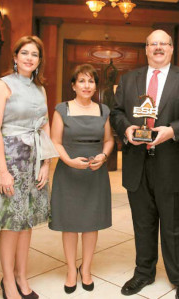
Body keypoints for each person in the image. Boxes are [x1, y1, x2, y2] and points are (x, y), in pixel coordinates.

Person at [110, 29, 179, 299]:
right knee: (143, 222)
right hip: (137, 162)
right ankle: (143, 272)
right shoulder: (129, 80)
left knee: (174, 225)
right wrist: (127, 130)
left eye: (164, 43)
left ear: (172, 48)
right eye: (154, 44)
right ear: (146, 49)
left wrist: (172, 131)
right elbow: (116, 113)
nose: (159, 48)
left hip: (172, 161)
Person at [0, 35, 58, 299]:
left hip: (34, 160)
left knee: (26, 223)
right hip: (11, 159)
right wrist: (2, 170)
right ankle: (8, 281)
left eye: (34, 54)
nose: (29, 58)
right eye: (24, 53)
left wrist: (46, 163)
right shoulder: (2, 85)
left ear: (39, 61)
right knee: (11, 223)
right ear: (14, 57)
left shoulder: (40, 88)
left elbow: (45, 125)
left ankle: (22, 277)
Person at [49, 64, 114, 294]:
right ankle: (70, 269)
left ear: (96, 86)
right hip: (68, 171)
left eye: (91, 81)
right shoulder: (62, 109)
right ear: (73, 85)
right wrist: (68, 161)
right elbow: (55, 141)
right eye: (82, 81)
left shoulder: (103, 110)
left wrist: (104, 156)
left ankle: (85, 269)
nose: (87, 86)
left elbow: (108, 140)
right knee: (70, 224)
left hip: (94, 172)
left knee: (90, 224)